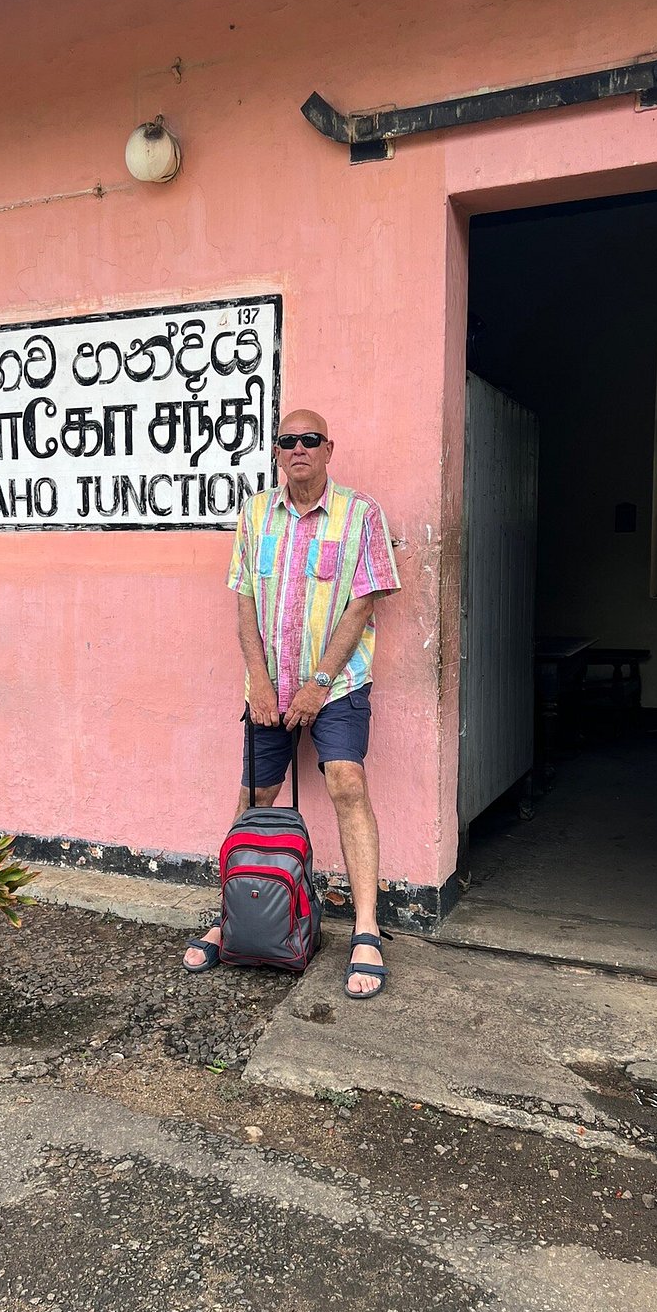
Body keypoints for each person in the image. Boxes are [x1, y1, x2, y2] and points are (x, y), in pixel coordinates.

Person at [182, 409, 401, 997]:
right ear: (277, 451)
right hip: (269, 684)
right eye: (287, 441)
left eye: (309, 440)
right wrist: (258, 678)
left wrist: (318, 683)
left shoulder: (361, 514)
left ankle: (365, 929)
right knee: (254, 797)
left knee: (347, 784)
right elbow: (246, 601)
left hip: (339, 684)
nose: (298, 448)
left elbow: (363, 606)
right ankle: (232, 917)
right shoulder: (255, 513)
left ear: (329, 448)